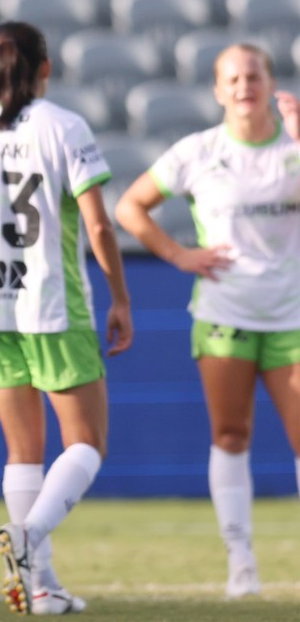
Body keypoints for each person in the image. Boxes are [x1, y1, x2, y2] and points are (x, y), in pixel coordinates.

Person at [0, 21, 134, 616]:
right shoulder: (64, 127)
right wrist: (120, 297)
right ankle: (29, 536)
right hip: (53, 307)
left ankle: (40, 588)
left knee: (23, 453)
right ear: (45, 67)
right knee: (87, 443)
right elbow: (99, 225)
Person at [115, 43, 300, 600]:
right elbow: (130, 207)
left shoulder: (293, 146)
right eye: (234, 79)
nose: (245, 87)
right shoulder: (199, 151)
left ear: (270, 84)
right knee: (230, 434)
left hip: (291, 315)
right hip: (224, 315)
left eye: (254, 76)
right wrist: (178, 255)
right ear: (219, 90)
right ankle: (241, 563)